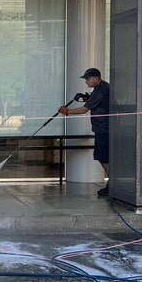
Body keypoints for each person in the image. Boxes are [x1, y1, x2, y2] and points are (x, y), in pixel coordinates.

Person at [59, 68, 110, 196]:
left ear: (96, 79)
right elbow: (99, 103)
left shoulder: (100, 91)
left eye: (88, 79)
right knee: (103, 156)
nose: (86, 82)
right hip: (104, 127)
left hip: (104, 129)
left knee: (102, 156)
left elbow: (83, 111)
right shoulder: (103, 88)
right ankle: (112, 182)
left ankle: (112, 183)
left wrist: (67, 111)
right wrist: (87, 98)